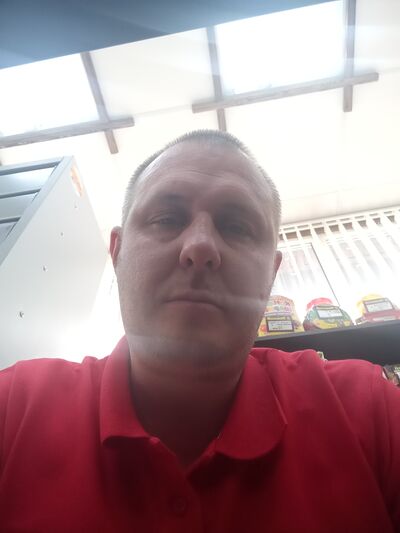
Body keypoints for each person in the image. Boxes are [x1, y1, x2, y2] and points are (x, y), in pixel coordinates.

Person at [0, 130, 399, 532]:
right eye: (166, 219)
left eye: (237, 226)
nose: (200, 246)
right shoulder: (15, 409)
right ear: (117, 253)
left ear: (271, 275)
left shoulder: (368, 414)